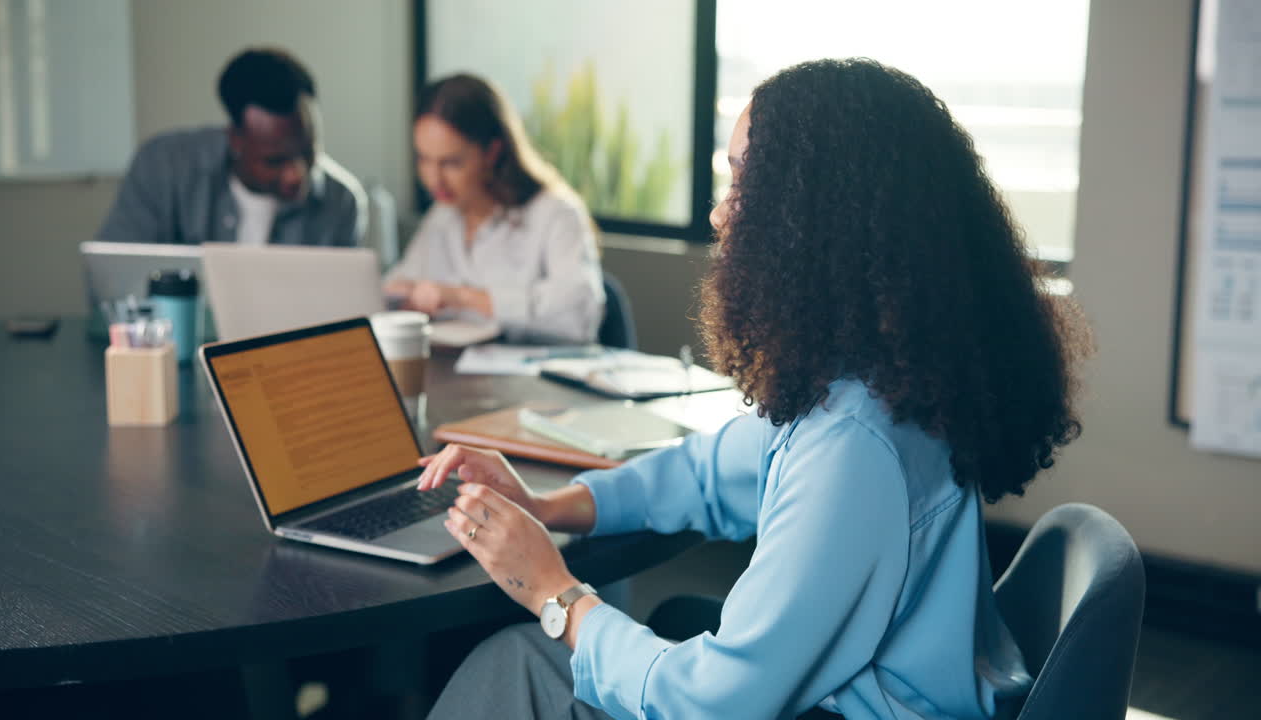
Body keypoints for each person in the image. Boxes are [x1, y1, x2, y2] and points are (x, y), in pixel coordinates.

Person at [415, 58, 1089, 720]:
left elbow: (709, 703)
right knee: (647, 627)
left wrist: (554, 593)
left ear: (815, 217)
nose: (718, 214)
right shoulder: (879, 381)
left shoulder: (854, 449)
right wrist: (549, 504)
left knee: (519, 661)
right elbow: (708, 473)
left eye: (741, 183)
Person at [383, 74, 604, 344]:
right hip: (459, 372)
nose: (434, 179)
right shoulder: (442, 216)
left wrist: (464, 297)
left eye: (451, 163)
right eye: (424, 160)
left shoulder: (556, 214)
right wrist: (408, 297)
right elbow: (400, 284)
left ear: (492, 152)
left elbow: (580, 312)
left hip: (535, 375)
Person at [97, 47, 366, 247]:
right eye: (274, 160)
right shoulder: (162, 167)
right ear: (235, 139)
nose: (295, 174)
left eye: (308, 153)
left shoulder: (341, 201)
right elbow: (116, 284)